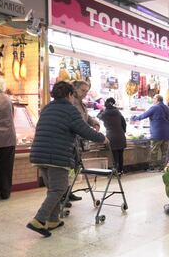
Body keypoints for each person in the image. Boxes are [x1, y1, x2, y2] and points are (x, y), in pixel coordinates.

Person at [27, 81, 107, 237]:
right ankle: (39, 219)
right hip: (56, 155)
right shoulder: (70, 110)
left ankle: (53, 220)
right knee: (59, 189)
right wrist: (102, 138)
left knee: (53, 189)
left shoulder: (47, 108)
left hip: (39, 154)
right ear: (70, 94)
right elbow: (84, 130)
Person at [67, 80, 101, 201]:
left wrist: (94, 122)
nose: (85, 93)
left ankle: (68, 192)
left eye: (86, 91)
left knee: (74, 167)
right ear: (74, 89)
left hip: (78, 141)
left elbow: (85, 117)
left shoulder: (82, 104)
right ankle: (63, 195)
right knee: (70, 168)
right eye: (82, 90)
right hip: (71, 141)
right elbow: (78, 122)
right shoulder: (71, 103)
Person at [132, 94, 169, 172]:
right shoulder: (167, 108)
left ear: (157, 99)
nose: (153, 100)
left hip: (157, 133)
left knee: (154, 151)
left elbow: (144, 115)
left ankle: (152, 167)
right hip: (167, 133)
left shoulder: (154, 107)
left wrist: (134, 118)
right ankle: (162, 167)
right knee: (165, 152)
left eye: (154, 98)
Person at [0, 85, 16, 202]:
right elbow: (13, 116)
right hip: (9, 138)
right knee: (5, 168)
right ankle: (5, 192)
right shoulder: (7, 98)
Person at [97, 98, 126, 174]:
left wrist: (102, 109)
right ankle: (121, 170)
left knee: (114, 155)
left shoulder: (105, 113)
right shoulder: (118, 112)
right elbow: (124, 123)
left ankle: (116, 171)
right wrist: (123, 131)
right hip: (121, 136)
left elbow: (98, 116)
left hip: (111, 136)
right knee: (120, 154)